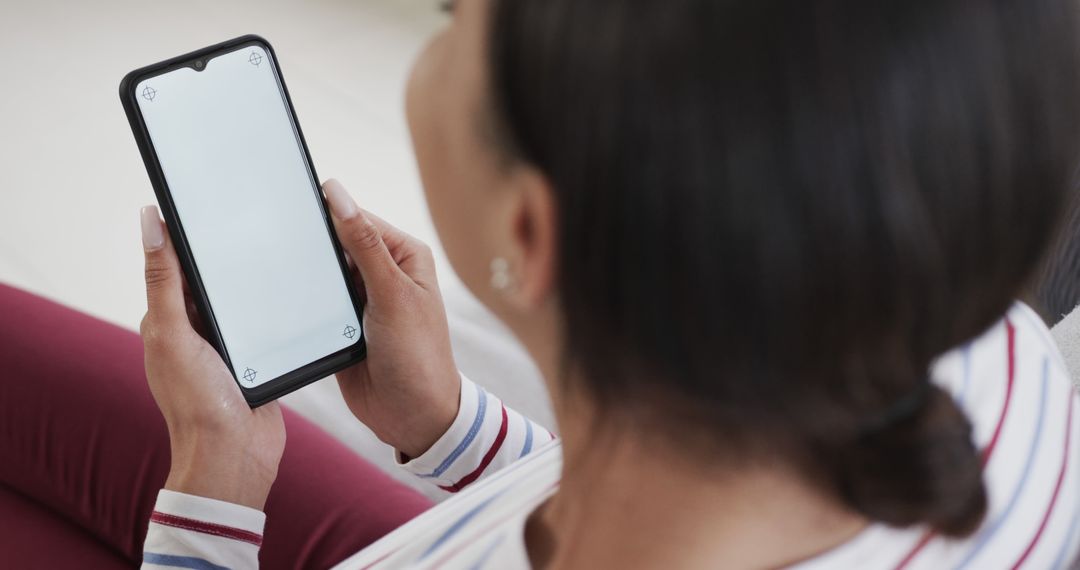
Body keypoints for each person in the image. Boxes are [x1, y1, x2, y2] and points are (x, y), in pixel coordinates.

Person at [3, 0, 1080, 567]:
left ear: (529, 224)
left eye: (464, 19)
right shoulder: (1002, 365)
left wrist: (211, 489)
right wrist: (446, 426)